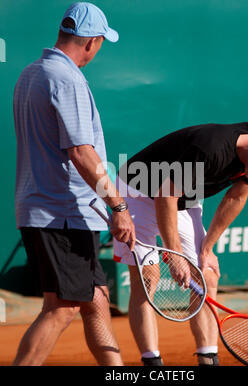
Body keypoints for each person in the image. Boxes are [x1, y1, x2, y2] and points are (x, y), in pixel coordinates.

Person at [113, 122, 248, 366]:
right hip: (137, 193)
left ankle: (208, 359)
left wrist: (207, 248)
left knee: (207, 275)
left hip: (181, 198)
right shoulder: (209, 150)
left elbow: (236, 196)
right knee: (147, 279)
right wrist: (176, 255)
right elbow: (165, 197)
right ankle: (152, 363)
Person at [13, 2, 135, 366]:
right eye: (101, 44)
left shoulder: (32, 72)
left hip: (47, 208)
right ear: (92, 42)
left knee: (95, 298)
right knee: (61, 308)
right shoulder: (67, 79)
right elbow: (82, 152)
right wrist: (119, 207)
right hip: (62, 214)